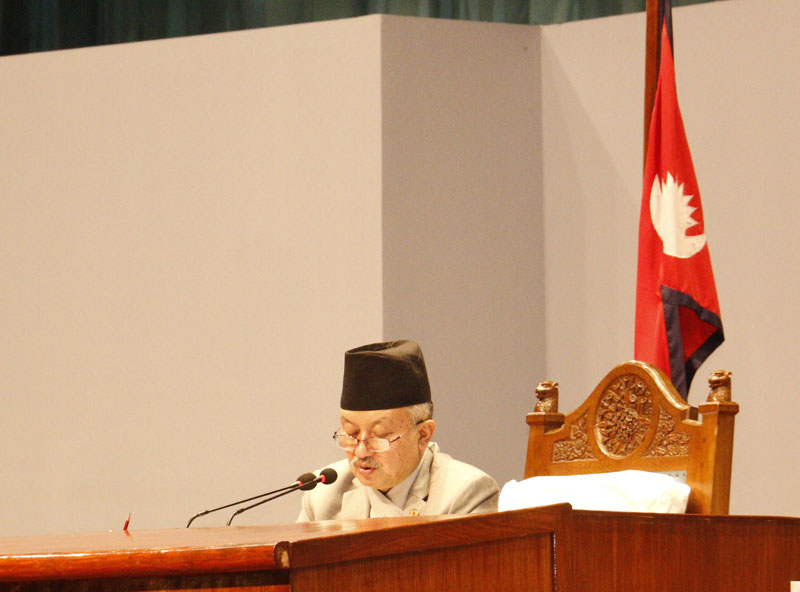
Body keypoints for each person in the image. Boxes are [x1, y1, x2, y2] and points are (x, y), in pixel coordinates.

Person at [297, 340, 499, 520]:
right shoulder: (323, 494)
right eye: (351, 434)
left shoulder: (464, 494)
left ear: (423, 435)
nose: (361, 452)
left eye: (378, 437)